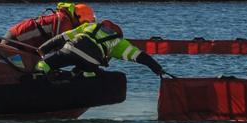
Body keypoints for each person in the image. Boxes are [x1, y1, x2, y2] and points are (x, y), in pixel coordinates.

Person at [36, 19, 165, 77]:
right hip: (91, 60)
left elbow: (61, 38)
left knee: (44, 64)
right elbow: (141, 57)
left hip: (71, 48)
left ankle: (43, 74)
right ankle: (81, 77)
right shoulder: (119, 41)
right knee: (88, 72)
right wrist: (157, 68)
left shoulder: (90, 26)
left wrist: (43, 49)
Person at [6, 2, 95, 48]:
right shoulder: (65, 22)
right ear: (79, 17)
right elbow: (59, 48)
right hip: (15, 41)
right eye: (84, 23)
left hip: (16, 37)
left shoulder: (63, 17)